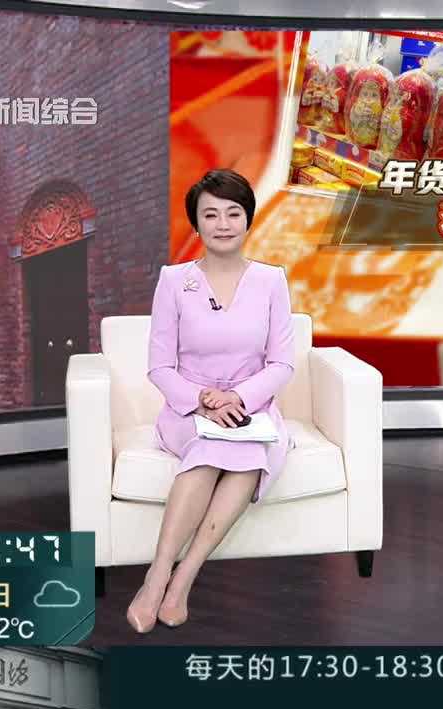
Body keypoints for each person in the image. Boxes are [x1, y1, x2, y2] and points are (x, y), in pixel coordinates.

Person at [126, 168, 296, 633]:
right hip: (188, 409)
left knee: (247, 453)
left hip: (249, 408)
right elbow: (159, 366)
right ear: (196, 224)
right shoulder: (174, 281)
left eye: (233, 213)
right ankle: (156, 578)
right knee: (207, 451)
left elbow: (282, 364)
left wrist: (236, 398)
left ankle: (183, 578)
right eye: (211, 214)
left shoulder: (271, 281)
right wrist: (203, 400)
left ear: (248, 219)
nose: (223, 224)